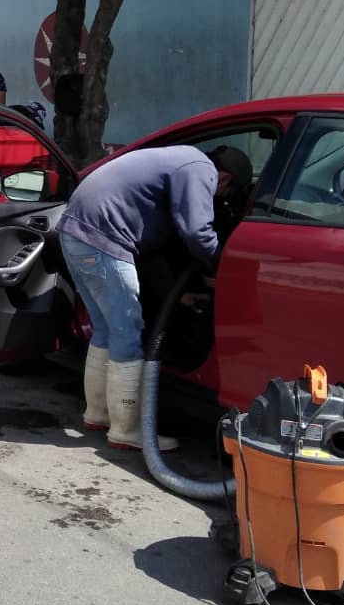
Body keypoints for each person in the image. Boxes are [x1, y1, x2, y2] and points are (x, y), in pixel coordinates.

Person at [57, 144, 253, 451]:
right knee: (127, 332)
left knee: (106, 330)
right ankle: (126, 430)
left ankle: (98, 413)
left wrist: (179, 294)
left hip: (76, 232)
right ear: (224, 178)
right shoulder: (199, 168)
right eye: (224, 194)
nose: (218, 199)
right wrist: (221, 265)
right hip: (104, 238)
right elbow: (197, 232)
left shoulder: (176, 161)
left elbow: (149, 251)